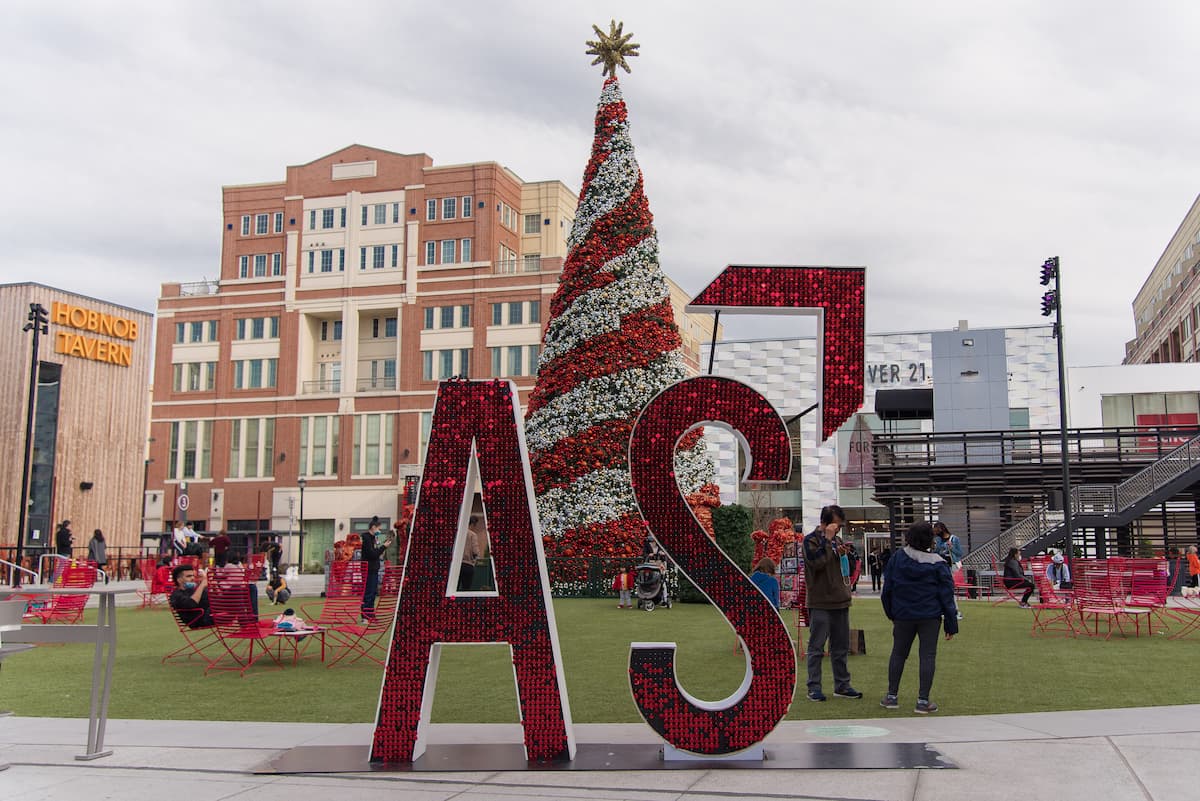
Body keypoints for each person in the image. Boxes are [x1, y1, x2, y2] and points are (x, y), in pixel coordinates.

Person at [880, 522, 958, 714]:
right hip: (929, 616)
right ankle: (923, 701)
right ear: (930, 540)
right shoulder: (938, 562)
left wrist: (891, 613)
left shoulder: (898, 558)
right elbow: (946, 596)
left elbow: (887, 589)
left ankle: (891, 696)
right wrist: (951, 624)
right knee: (927, 656)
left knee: (898, 653)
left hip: (903, 615)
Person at [802, 504, 862, 702]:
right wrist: (827, 540)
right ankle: (814, 687)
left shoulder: (837, 540)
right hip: (820, 601)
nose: (839, 529)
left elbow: (845, 568)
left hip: (840, 600)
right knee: (816, 647)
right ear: (825, 523)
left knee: (840, 647)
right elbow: (816, 563)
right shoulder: (810, 540)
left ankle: (842, 685)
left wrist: (843, 553)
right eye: (836, 525)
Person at [360, 517, 394, 620]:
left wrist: (382, 548)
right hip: (368, 570)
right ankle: (366, 615)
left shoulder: (374, 538)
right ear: (373, 527)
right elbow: (372, 554)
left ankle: (370, 614)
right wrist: (383, 547)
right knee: (368, 593)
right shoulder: (366, 538)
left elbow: (377, 553)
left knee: (373, 592)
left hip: (374, 569)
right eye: (378, 528)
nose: (379, 531)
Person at [933, 522, 964, 620]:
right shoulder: (937, 539)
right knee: (941, 588)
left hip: (950, 566)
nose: (936, 532)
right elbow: (935, 552)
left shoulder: (954, 539)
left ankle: (955, 611)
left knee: (948, 588)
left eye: (937, 529)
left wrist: (952, 547)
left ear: (942, 528)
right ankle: (946, 610)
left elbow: (960, 553)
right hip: (940, 566)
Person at [459, 515, 485, 592]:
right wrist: (478, 558)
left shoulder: (459, 533)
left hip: (456, 565)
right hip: (468, 564)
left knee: (454, 590)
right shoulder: (472, 535)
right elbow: (475, 550)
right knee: (466, 589)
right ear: (473, 524)